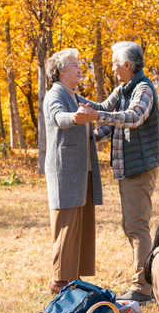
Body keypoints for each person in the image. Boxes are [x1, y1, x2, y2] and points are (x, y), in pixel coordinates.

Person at [75, 41, 159, 305]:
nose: (112, 68)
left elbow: (133, 117)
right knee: (132, 226)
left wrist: (95, 117)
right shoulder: (123, 89)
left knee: (136, 227)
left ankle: (143, 287)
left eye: (115, 63)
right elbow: (104, 110)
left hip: (140, 168)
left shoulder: (144, 89)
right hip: (128, 169)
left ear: (127, 65)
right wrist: (73, 97)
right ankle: (144, 282)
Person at [43, 48, 117, 293]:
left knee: (79, 226)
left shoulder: (76, 96)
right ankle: (59, 281)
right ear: (61, 71)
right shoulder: (55, 95)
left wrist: (121, 91)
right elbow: (57, 117)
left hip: (82, 172)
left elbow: (103, 107)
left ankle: (72, 278)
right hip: (65, 172)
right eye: (74, 65)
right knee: (66, 225)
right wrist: (75, 117)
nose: (79, 68)